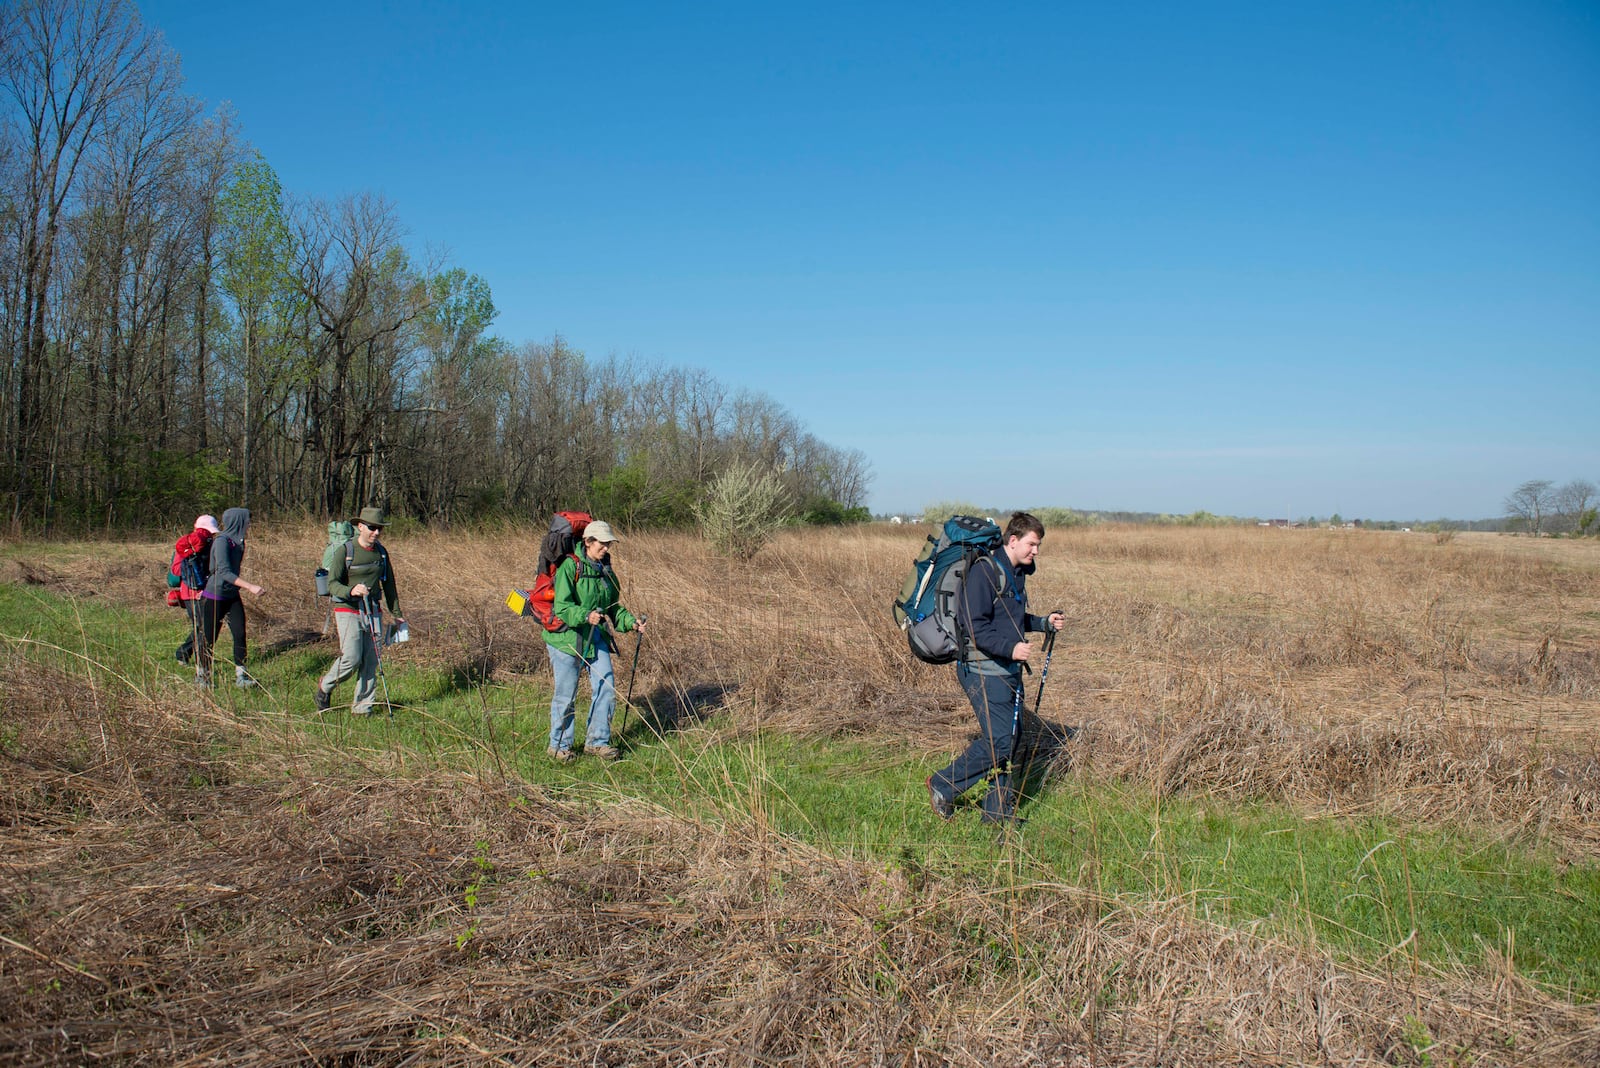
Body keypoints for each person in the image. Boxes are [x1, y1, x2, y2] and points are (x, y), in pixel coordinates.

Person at [926, 511, 1065, 825]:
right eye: (1032, 544)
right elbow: (974, 625)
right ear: (1013, 541)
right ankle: (943, 785)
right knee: (1000, 741)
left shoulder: (1015, 573)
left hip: (1006, 669)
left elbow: (1010, 619)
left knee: (1009, 740)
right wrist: (1011, 648)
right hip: (981, 670)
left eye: (1039, 546)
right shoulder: (985, 572)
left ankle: (997, 812)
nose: (1036, 552)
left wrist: (1043, 623)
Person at [542, 520, 643, 761]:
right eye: (602, 543)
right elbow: (562, 607)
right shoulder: (570, 567)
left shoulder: (606, 571)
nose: (607, 548)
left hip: (594, 636)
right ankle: (559, 746)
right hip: (565, 638)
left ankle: (597, 742)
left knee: (606, 686)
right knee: (566, 693)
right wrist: (585, 615)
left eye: (609, 543)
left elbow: (613, 608)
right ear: (587, 542)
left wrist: (632, 623)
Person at [314, 507, 403, 715]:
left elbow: (389, 584)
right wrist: (351, 590)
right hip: (347, 609)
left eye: (380, 528)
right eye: (372, 528)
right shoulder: (345, 551)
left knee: (372, 661)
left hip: (373, 610)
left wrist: (397, 613)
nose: (377, 533)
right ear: (360, 526)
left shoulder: (381, 553)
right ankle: (325, 686)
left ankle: (363, 707)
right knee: (352, 658)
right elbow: (332, 584)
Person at [198, 507, 265, 688]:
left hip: (232, 595)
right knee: (210, 637)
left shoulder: (238, 542)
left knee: (240, 633)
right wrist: (250, 586)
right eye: (247, 521)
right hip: (215, 595)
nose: (249, 524)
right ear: (238, 521)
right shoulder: (222, 542)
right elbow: (224, 572)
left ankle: (241, 676)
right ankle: (203, 675)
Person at [173, 514, 220, 665]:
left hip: (189, 592)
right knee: (202, 625)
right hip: (201, 591)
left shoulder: (185, 544)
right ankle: (192, 656)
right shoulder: (208, 544)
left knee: (201, 625)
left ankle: (189, 654)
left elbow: (175, 570)